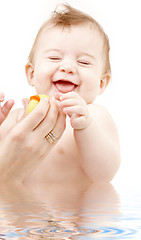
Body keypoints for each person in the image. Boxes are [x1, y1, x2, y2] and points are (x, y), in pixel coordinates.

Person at [0, 4, 120, 186]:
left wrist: (86, 126)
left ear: (101, 83)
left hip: (75, 214)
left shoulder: (95, 115)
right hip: (26, 210)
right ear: (31, 74)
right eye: (54, 58)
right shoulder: (16, 117)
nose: (68, 67)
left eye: (84, 62)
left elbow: (104, 175)